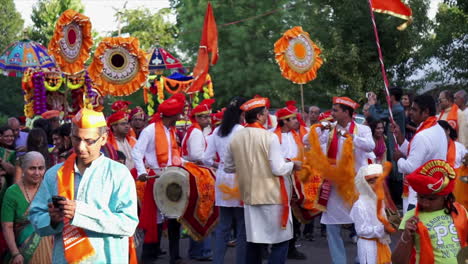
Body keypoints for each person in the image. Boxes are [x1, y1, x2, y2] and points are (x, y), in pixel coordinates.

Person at [28, 108, 139, 263]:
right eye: (76, 139)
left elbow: (128, 224)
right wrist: (53, 220)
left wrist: (79, 213)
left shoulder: (119, 174)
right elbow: (36, 217)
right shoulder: (54, 174)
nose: (81, 147)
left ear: (103, 138)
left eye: (89, 141)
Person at [224, 97, 302, 264]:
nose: (268, 115)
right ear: (259, 116)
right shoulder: (269, 137)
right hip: (272, 196)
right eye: (266, 112)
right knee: (281, 241)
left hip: (250, 196)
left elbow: (228, 167)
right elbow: (278, 169)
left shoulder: (236, 138)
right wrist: (292, 165)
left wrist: (248, 167)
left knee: (254, 241)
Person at [304, 96, 375, 264]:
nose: (332, 113)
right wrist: (318, 128)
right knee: (332, 225)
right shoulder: (329, 129)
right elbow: (306, 141)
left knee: (361, 224)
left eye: (335, 110)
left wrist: (349, 135)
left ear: (346, 113)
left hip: (356, 185)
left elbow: (370, 146)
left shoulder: (362, 129)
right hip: (334, 186)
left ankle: (362, 259)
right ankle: (339, 261)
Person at [132, 93, 186, 264]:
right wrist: (142, 172)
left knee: (174, 217)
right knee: (155, 218)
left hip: (172, 177)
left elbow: (173, 155)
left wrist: (190, 163)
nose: (180, 117)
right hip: (156, 177)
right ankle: (149, 256)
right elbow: (137, 152)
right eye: (178, 114)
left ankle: (174, 256)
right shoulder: (150, 131)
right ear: (172, 116)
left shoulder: (170, 131)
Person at [392, 159, 467, 264]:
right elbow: (398, 261)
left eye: (432, 199)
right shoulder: (411, 217)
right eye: (421, 197)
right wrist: (406, 236)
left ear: (445, 196)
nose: (425, 203)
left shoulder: (460, 211)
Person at [203, 97, 247, 264]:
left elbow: (206, 158)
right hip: (239, 178)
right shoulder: (242, 130)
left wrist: (219, 164)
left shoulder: (217, 131)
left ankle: (218, 261)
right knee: (242, 227)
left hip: (222, 179)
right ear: (242, 113)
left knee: (223, 226)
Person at [392, 95, 448, 213]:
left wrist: (399, 159)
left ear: (426, 112)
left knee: (414, 228)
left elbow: (411, 168)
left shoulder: (423, 135)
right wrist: (400, 137)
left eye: (414, 109)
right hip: (434, 188)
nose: (410, 112)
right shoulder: (436, 128)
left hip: (420, 194)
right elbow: (418, 152)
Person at [1, 151, 53, 263]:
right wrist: (15, 253)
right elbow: (7, 226)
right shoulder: (12, 193)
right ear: (23, 168)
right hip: (22, 250)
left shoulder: (49, 188)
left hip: (50, 249)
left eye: (41, 168)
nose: (37, 173)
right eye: (32, 168)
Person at [272, 104, 307, 260]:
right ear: (284, 121)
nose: (296, 120)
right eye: (292, 118)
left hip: (296, 179)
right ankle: (272, 248)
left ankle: (291, 247)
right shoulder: (273, 136)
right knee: (277, 214)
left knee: (295, 215)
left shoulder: (296, 135)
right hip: (280, 179)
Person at [181, 99, 215, 261]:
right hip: (195, 173)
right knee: (202, 211)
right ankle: (201, 251)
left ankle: (199, 250)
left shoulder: (195, 130)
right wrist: (213, 163)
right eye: (205, 117)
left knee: (199, 211)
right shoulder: (195, 132)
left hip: (194, 171)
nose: (209, 120)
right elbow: (196, 156)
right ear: (198, 118)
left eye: (209, 117)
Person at [350, 164, 393, 264]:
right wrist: (383, 229)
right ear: (364, 184)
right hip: (368, 247)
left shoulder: (379, 200)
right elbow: (361, 230)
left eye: (378, 180)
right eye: (371, 181)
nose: (376, 184)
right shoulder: (359, 204)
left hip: (383, 243)